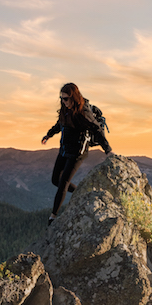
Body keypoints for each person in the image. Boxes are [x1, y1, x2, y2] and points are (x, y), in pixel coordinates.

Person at [41, 82, 111, 224]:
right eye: (61, 98)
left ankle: (53, 217)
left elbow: (97, 129)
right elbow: (60, 124)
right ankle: (83, 191)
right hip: (65, 149)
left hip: (78, 152)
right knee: (55, 180)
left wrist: (108, 150)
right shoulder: (65, 109)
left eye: (66, 98)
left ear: (73, 97)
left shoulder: (83, 112)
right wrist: (49, 135)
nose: (63, 101)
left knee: (63, 184)